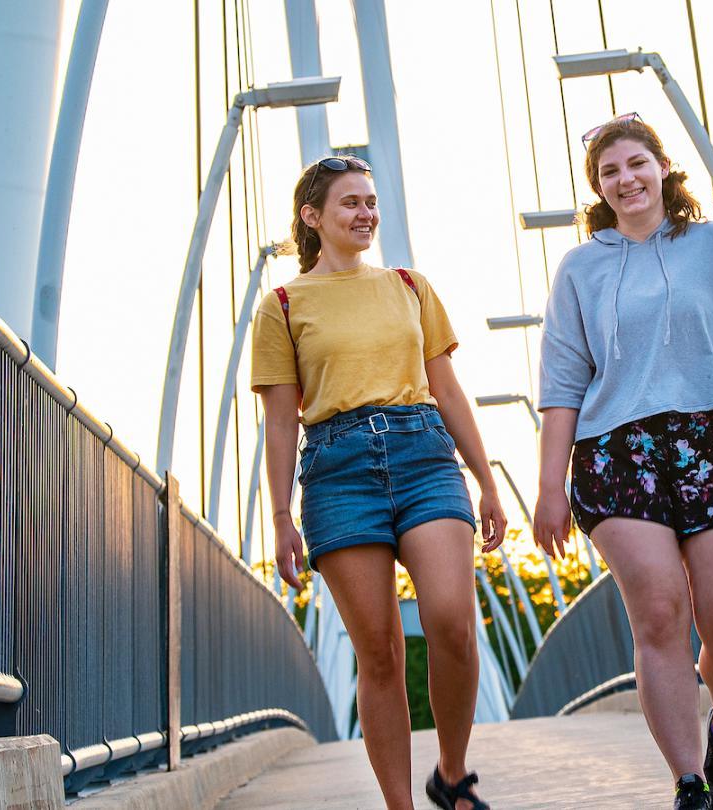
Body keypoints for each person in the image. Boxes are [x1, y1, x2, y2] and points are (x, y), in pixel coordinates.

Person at [531, 114, 713, 810]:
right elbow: (564, 387)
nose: (625, 180)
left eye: (635, 164)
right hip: (617, 457)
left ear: (661, 167)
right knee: (659, 614)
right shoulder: (580, 269)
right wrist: (549, 488)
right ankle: (689, 782)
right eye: (608, 172)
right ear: (597, 187)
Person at [254, 154, 506, 810]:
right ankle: (400, 805)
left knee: (451, 621)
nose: (366, 213)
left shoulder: (409, 287)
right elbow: (281, 422)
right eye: (350, 204)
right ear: (314, 217)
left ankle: (451, 776)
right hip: (337, 474)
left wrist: (487, 481)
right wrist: (279, 517)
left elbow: (447, 390)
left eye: (370, 202)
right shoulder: (282, 306)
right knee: (380, 651)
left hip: (424, 456)